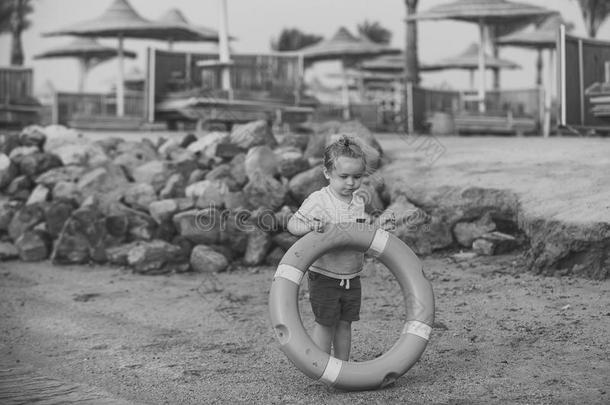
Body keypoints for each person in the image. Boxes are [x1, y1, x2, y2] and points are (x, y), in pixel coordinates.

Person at [287, 135, 395, 361]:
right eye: (343, 176)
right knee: (326, 324)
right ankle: (321, 366)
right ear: (327, 173)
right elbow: (292, 224)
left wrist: (380, 225)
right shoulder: (319, 200)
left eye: (357, 177)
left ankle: (342, 368)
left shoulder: (357, 202)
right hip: (324, 276)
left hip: (351, 275)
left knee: (345, 324)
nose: (350, 183)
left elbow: (363, 232)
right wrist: (309, 225)